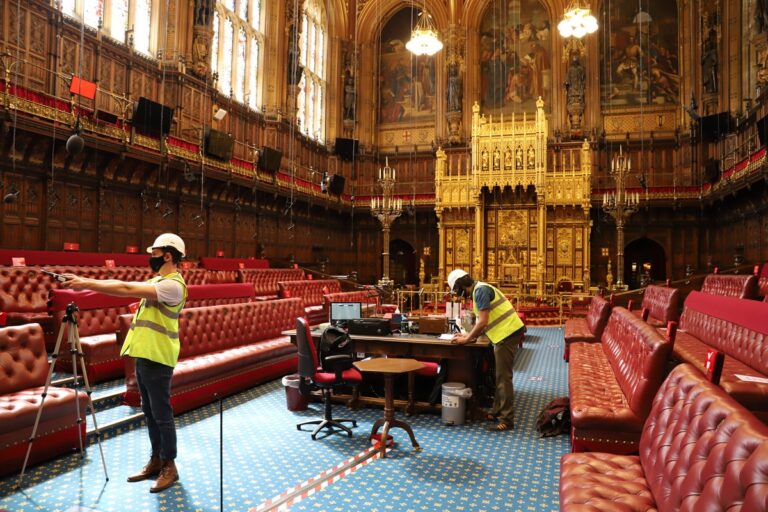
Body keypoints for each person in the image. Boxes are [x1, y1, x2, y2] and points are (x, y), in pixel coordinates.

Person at [62, 233, 188, 493]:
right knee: (150, 411)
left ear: (167, 255)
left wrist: (85, 282)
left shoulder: (173, 285)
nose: (150, 257)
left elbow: (126, 288)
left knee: (162, 414)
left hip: (159, 357)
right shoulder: (158, 280)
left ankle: (170, 466)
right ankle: (156, 459)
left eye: (154, 253)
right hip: (144, 355)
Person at [447, 269, 524, 431]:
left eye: (456, 289)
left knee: (504, 378)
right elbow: (484, 321)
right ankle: (497, 412)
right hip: (503, 333)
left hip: (507, 333)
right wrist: (469, 335)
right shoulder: (479, 289)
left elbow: (482, 322)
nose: (458, 294)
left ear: (461, 284)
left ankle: (507, 420)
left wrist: (467, 339)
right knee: (499, 376)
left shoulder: (480, 291)